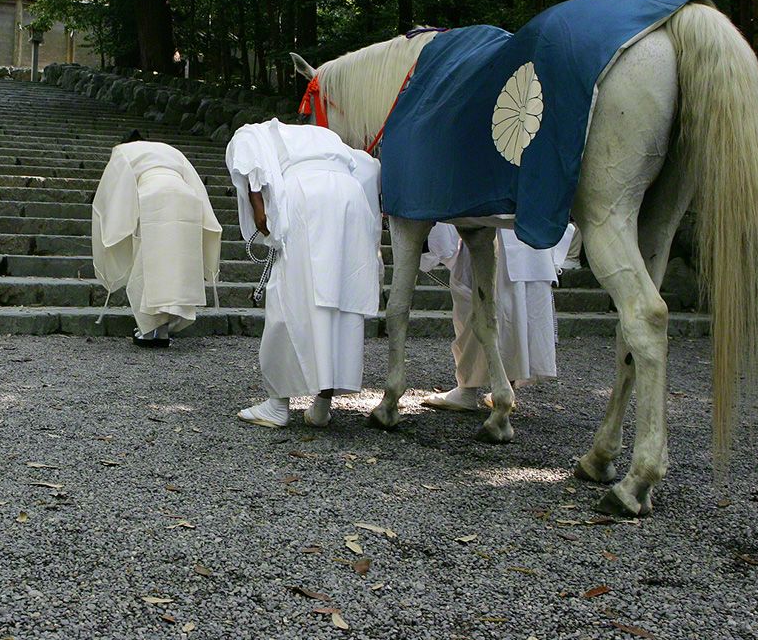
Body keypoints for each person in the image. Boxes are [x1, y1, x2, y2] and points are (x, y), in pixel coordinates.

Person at [227, 120, 383, 428]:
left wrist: (260, 209)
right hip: (350, 197)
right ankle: (323, 404)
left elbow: (247, 162)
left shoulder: (254, 132)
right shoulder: (326, 137)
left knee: (289, 294)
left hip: (307, 195)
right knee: (339, 294)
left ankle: (277, 403)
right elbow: (366, 168)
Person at [421, 222, 574, 411]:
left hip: (490, 228)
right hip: (531, 233)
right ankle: (504, 386)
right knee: (520, 306)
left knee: (478, 302)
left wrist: (437, 244)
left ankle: (468, 389)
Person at [91, 131, 222, 347]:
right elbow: (195, 182)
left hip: (151, 196)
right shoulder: (171, 151)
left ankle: (149, 328)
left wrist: (119, 221)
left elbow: (114, 189)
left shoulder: (123, 151)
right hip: (186, 198)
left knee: (149, 261)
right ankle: (162, 329)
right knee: (175, 264)